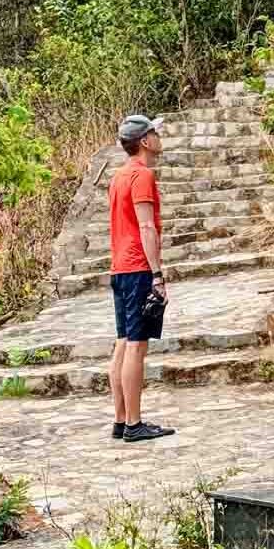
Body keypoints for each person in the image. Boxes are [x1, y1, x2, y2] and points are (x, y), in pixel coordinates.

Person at [108, 114, 175, 443]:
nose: (159, 137)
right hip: (137, 269)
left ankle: (121, 419)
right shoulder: (142, 176)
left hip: (119, 268)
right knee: (136, 346)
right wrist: (157, 274)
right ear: (145, 142)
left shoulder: (118, 176)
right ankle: (134, 424)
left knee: (122, 343)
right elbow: (146, 227)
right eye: (155, 133)